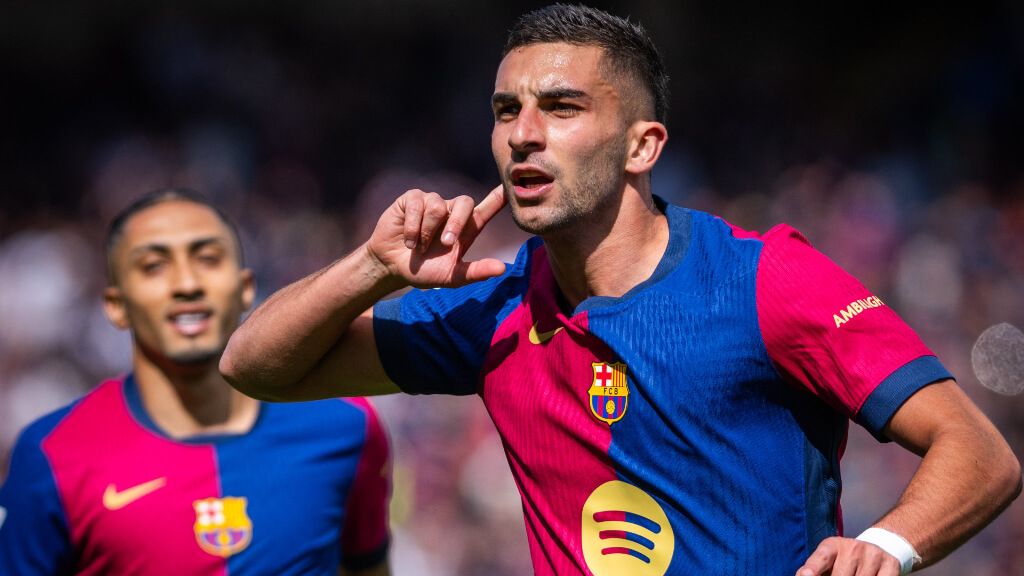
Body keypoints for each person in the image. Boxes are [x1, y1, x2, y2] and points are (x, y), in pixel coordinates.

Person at [220, 5, 1020, 576]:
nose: (523, 133)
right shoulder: (490, 308)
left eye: (561, 107)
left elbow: (981, 456)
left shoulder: (763, 279)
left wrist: (885, 547)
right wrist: (371, 268)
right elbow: (256, 366)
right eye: (507, 111)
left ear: (643, 146)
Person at [0, 189, 391, 576]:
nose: (187, 283)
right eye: (153, 266)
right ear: (116, 306)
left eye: (207, 259)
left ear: (245, 289)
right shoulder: (53, 454)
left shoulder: (346, 426)